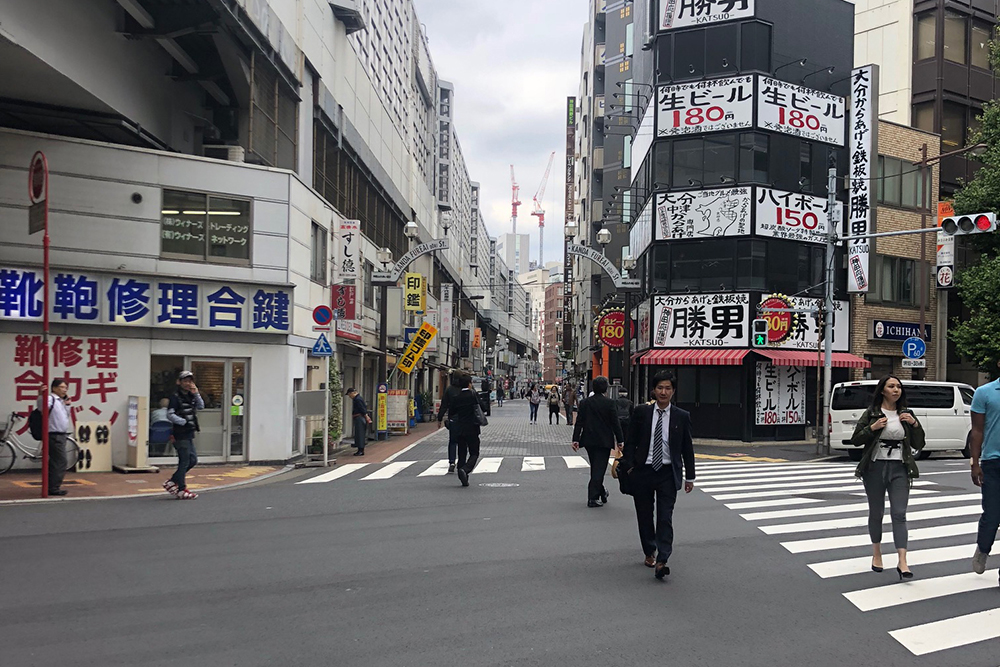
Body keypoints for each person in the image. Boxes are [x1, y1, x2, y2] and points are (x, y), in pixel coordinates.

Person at [849, 375, 925, 580]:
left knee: (899, 513)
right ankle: (877, 553)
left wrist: (915, 425)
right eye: (891, 386)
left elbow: (920, 444)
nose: (896, 390)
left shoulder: (906, 414)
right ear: (882, 390)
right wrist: (872, 428)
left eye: (899, 387)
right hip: (875, 467)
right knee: (877, 512)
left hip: (900, 467)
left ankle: (903, 561)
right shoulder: (872, 413)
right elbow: (856, 439)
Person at [622, 371, 695, 580]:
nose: (664, 392)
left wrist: (690, 476)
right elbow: (631, 441)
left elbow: (687, 448)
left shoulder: (682, 416)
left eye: (668, 388)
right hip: (643, 471)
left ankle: (663, 559)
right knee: (644, 515)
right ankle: (649, 551)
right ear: (653, 390)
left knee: (665, 517)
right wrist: (629, 466)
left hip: (667, 472)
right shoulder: (641, 412)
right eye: (660, 388)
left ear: (673, 391)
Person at [572, 376, 624, 508]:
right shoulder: (609, 403)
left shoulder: (585, 403)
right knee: (599, 470)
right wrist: (620, 440)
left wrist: (575, 439)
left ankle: (602, 492)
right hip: (604, 440)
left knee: (596, 468)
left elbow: (579, 422)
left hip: (589, 439)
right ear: (605, 388)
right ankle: (592, 498)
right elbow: (615, 423)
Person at [970, 361, 1000, 579]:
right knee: (992, 514)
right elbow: (977, 430)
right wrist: (975, 462)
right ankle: (983, 547)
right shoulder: (985, 392)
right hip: (993, 461)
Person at [163, 370, 204, 500]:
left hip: (189, 433)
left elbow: (201, 406)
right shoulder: (175, 397)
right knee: (184, 461)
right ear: (179, 382)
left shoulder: (191, 396)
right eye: (185, 381)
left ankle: (172, 481)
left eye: (190, 381)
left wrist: (196, 393)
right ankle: (181, 489)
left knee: (193, 460)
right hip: (179, 434)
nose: (187, 383)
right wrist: (183, 422)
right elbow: (170, 414)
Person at [438, 373, 482, 487]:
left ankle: (462, 473)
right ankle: (466, 470)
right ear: (469, 384)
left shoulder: (456, 398)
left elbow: (451, 412)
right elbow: (483, 407)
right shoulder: (473, 395)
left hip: (460, 428)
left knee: (462, 452)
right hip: (472, 428)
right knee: (474, 452)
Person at [38, 378, 72, 496]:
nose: (64, 390)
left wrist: (67, 404)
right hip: (54, 435)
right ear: (54, 388)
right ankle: (53, 487)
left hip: (60, 434)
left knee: (56, 462)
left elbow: (66, 416)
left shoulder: (60, 401)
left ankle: (52, 486)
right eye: (62, 387)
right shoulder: (50, 399)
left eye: (66, 388)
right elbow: (41, 408)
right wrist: (40, 395)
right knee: (60, 461)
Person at [437, 373, 463, 473]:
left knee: (452, 441)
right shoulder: (466, 389)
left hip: (453, 419)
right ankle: (461, 462)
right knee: (463, 442)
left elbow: (444, 405)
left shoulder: (449, 390)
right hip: (465, 419)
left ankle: (452, 462)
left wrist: (439, 418)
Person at [346, 388, 371, 456]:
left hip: (359, 417)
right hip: (360, 417)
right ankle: (360, 449)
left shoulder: (357, 399)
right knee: (359, 433)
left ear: (352, 393)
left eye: (349, 395)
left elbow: (362, 409)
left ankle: (360, 450)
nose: (349, 396)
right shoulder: (358, 398)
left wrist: (366, 416)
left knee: (360, 433)